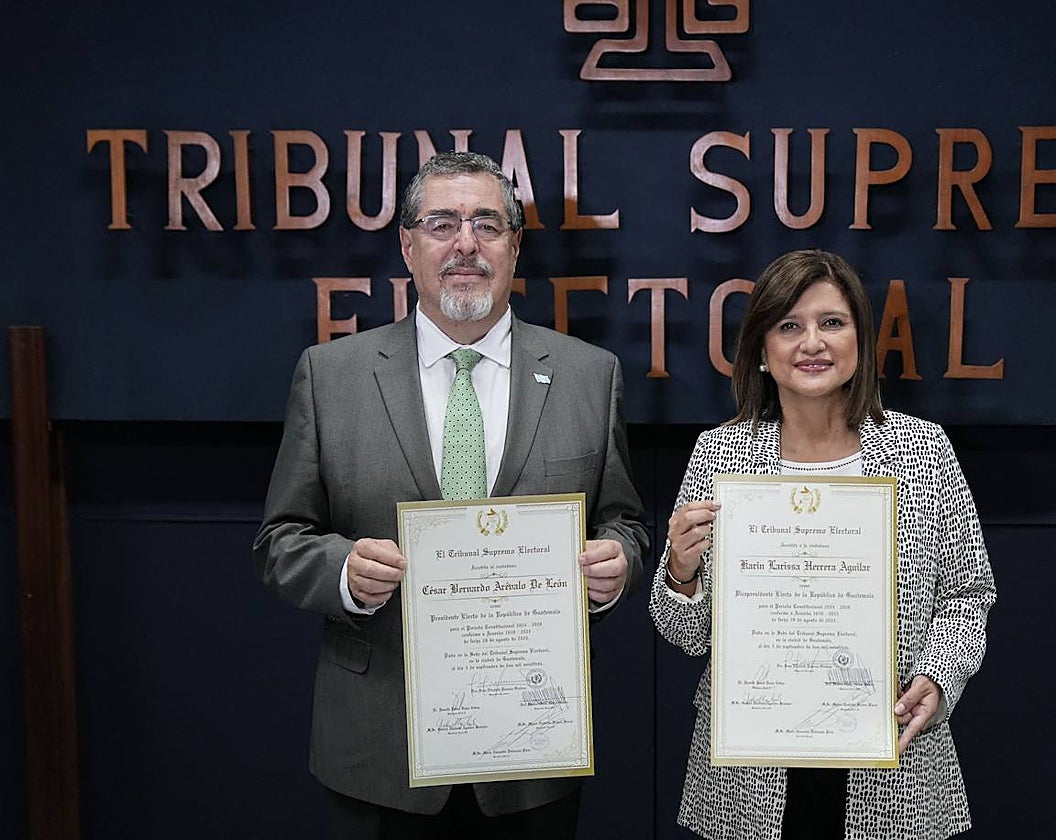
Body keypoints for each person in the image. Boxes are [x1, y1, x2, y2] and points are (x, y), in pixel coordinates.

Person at [254, 151, 648, 839]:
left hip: (532, 754)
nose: (465, 243)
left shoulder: (591, 376)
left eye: (487, 225)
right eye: (442, 223)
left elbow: (624, 518)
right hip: (379, 750)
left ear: (515, 246)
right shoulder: (329, 376)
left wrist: (616, 563)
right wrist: (344, 573)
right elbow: (281, 540)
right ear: (407, 245)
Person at [648, 249, 996, 840]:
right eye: (790, 326)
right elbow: (685, 635)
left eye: (832, 323)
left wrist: (939, 678)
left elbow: (968, 592)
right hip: (751, 773)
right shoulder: (720, 456)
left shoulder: (921, 450)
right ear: (762, 350)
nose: (813, 342)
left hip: (892, 761)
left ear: (860, 340)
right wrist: (681, 571)